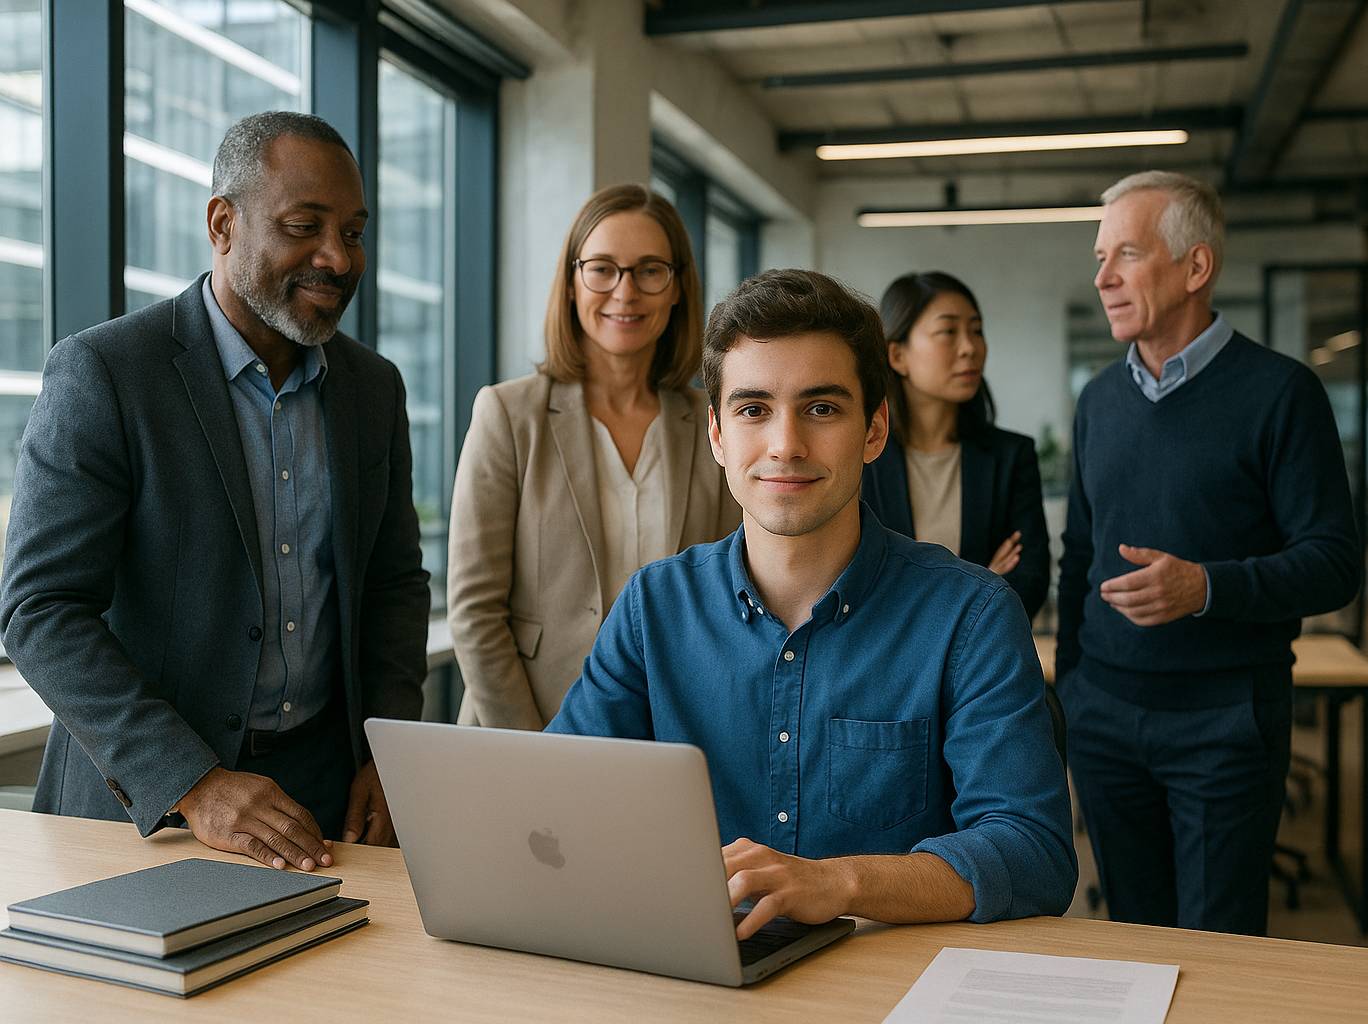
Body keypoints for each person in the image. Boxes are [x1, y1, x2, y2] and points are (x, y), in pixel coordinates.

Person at [547, 269, 1076, 940]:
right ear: (717, 435)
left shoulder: (970, 617)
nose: (785, 444)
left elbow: (1033, 852)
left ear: (875, 428)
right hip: (697, 978)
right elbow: (556, 804)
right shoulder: (654, 608)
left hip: (888, 989)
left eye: (822, 408)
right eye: (753, 409)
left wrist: (837, 883)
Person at [0, 112, 429, 871]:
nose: (337, 257)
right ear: (222, 223)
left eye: (355, 233)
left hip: (329, 807)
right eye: (305, 226)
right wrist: (193, 782)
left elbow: (393, 585)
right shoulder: (105, 373)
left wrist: (390, 750)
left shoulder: (373, 389)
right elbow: (39, 611)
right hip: (154, 810)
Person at [1056, 170, 1361, 935]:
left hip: (1225, 721)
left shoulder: (1282, 393)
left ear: (1196, 267)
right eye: (1100, 257)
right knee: (1134, 932)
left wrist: (1206, 589)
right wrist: (1074, 693)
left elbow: (1333, 562)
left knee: (1220, 950)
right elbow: (1079, 555)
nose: (1103, 277)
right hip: (1106, 719)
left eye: (1126, 253)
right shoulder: (1097, 401)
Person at [447, 185, 739, 731]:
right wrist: (535, 749)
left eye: (649, 270)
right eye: (602, 268)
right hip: (525, 725)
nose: (624, 292)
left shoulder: (713, 422)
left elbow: (727, 593)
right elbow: (474, 611)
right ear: (573, 281)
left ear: (677, 288)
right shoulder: (509, 414)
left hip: (673, 728)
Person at [862, 272, 1051, 620]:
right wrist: (982, 583)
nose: (970, 347)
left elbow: (1031, 582)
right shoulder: (863, 457)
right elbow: (858, 589)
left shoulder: (1011, 457)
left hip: (982, 669)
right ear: (898, 355)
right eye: (948, 332)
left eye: (976, 330)